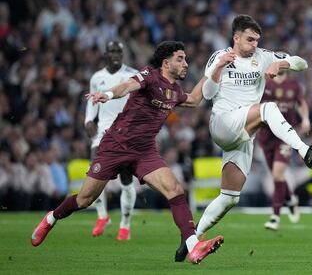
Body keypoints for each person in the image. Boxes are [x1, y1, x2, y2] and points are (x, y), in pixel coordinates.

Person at [31, 41, 224, 265]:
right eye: (180, 59)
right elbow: (127, 86)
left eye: (186, 60)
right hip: (116, 146)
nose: (185, 64)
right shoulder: (149, 76)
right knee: (85, 199)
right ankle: (51, 218)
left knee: (175, 189)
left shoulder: (175, 91)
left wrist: (214, 69)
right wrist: (109, 94)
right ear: (165, 62)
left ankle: (193, 246)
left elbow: (194, 99)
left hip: (144, 151)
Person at [175, 14, 312, 261]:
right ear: (236, 38)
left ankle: (191, 241)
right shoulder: (219, 56)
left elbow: (303, 63)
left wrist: (282, 64)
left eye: (257, 40)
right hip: (223, 122)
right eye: (249, 39)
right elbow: (207, 93)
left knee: (229, 197)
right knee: (269, 108)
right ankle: (304, 151)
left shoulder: (264, 56)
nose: (254, 44)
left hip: (244, 133)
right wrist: (218, 69)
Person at [84, 41, 138, 240]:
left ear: (123, 54)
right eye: (112, 51)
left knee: (126, 179)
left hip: (126, 132)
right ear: (105, 54)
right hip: (103, 130)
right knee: (94, 174)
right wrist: (88, 120)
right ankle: (102, 216)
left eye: (119, 51)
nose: (115, 54)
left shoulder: (132, 74)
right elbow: (92, 103)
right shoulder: (97, 78)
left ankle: (125, 224)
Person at [256, 67, 310, 230]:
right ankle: (291, 199)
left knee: (278, 173)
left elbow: (301, 103)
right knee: (276, 174)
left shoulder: (293, 85)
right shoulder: (264, 84)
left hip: (286, 135)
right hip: (266, 136)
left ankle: (275, 216)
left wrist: (305, 119)